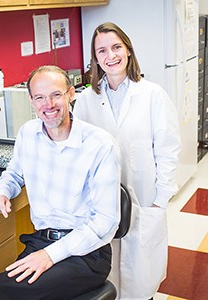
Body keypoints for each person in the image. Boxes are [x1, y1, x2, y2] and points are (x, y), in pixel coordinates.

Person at [0, 65, 122, 300]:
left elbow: (106, 221)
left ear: (70, 94)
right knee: (7, 289)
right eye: (40, 97)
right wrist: (2, 192)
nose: (49, 104)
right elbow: (14, 174)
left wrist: (50, 255)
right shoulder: (28, 134)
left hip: (87, 253)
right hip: (41, 241)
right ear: (31, 101)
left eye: (56, 94)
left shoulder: (99, 145)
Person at [73, 22, 181, 300]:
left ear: (128, 50)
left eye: (116, 47)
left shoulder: (152, 94)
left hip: (144, 197)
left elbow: (168, 148)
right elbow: (78, 150)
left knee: (141, 276)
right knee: (109, 275)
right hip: (102, 201)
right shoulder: (86, 99)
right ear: (95, 58)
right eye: (102, 50)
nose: (111, 55)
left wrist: (161, 199)